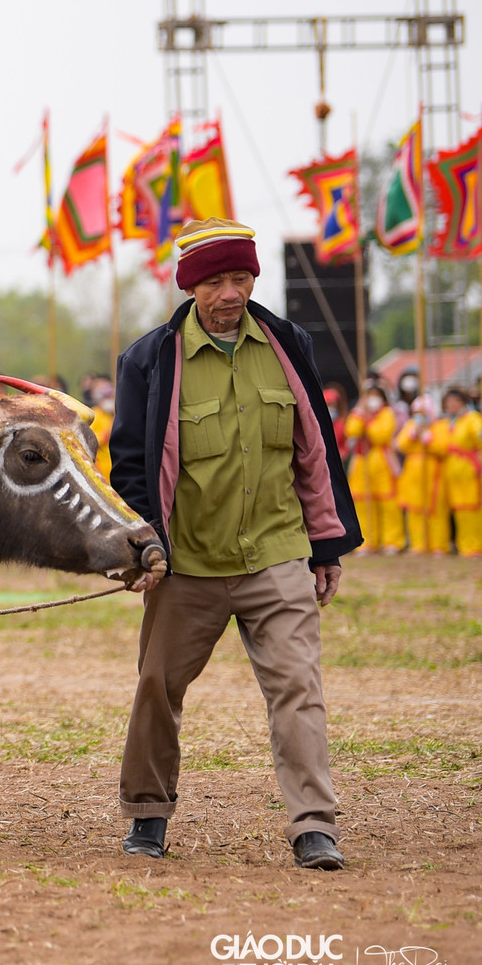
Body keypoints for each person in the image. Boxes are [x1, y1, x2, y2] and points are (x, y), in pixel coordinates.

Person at [109, 219, 361, 870]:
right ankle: (147, 814)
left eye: (241, 277)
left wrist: (325, 544)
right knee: (157, 687)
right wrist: (145, 547)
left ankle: (314, 825)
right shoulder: (149, 359)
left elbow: (315, 449)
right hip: (186, 563)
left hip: (275, 555)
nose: (230, 291)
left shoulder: (287, 343)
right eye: (216, 280)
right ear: (190, 284)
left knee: (298, 686)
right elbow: (131, 465)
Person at [342, 385, 402, 553]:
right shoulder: (359, 412)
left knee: (388, 502)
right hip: (362, 460)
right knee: (362, 502)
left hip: (382, 460)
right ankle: (367, 541)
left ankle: (391, 541)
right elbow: (351, 430)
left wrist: (369, 423)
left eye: (376, 395)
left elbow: (381, 435)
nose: (372, 398)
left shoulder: (387, 413)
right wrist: (362, 415)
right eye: (369, 395)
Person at [432, 388, 481, 557]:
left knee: (470, 508)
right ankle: (461, 545)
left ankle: (473, 546)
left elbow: (478, 433)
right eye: (449, 402)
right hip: (450, 469)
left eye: (456, 402)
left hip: (467, 468)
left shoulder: (471, 418)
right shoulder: (447, 422)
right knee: (457, 510)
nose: (452, 405)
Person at [396, 399, 439, 553]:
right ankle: (418, 544)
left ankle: (437, 545)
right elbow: (400, 444)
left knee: (434, 510)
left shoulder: (438, 426)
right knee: (414, 510)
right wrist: (413, 435)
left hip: (432, 472)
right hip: (412, 473)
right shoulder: (410, 426)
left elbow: (444, 446)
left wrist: (429, 439)